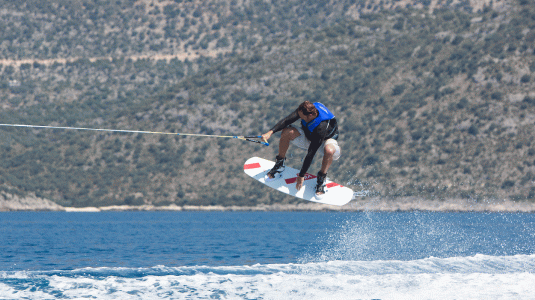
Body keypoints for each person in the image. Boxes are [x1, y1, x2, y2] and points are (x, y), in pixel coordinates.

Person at [261, 101, 341, 197]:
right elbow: (287, 120)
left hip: (325, 141)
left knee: (329, 150)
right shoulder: (306, 108)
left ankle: (321, 179)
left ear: (310, 116)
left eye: (302, 117)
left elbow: (311, 153)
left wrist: (301, 175)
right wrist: (270, 132)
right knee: (287, 132)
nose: (299, 117)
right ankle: (279, 164)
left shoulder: (322, 126)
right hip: (309, 136)